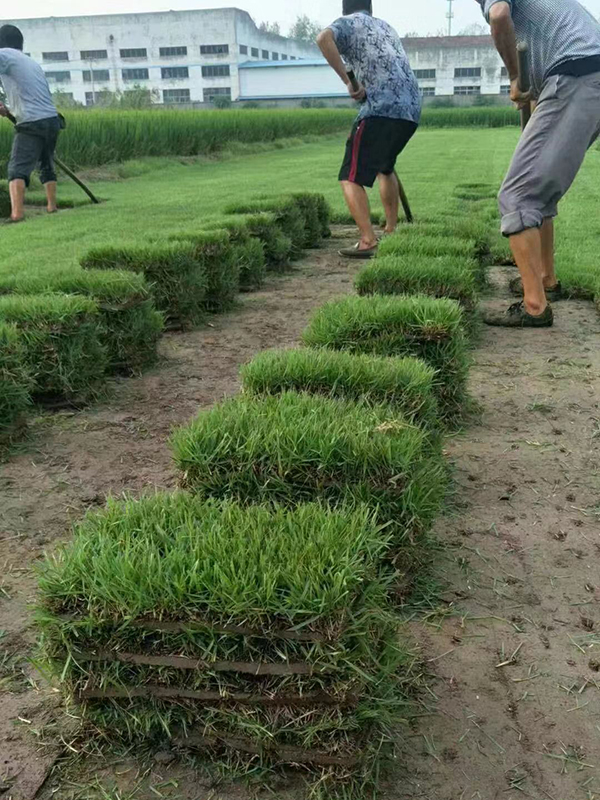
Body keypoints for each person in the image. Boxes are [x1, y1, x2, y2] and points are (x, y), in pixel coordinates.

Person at [478, 0, 600, 328]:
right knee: (540, 190)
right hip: (586, 74)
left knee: (518, 196)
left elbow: (500, 15)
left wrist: (516, 77)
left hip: (576, 75)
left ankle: (534, 306)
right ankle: (545, 279)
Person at [317, 0, 421, 259]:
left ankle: (367, 240)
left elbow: (323, 39)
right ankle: (391, 229)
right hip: (411, 109)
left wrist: (348, 82)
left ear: (345, 8)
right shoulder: (386, 28)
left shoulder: (347, 23)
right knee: (385, 167)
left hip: (380, 108)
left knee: (349, 176)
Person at [0, 24, 61, 223]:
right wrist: (6, 107)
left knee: (17, 167)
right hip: (52, 119)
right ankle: (52, 207)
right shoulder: (29, 61)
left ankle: (17, 214)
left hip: (32, 121)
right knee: (46, 163)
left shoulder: (4, 54)